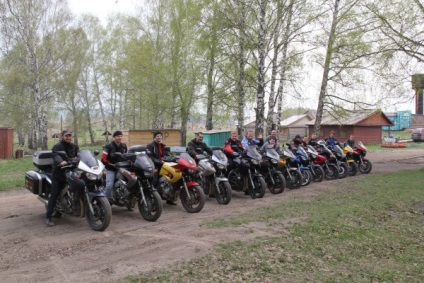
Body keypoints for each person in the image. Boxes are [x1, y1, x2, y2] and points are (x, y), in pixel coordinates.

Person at [45, 129, 79, 226]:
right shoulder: (57, 146)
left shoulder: (74, 146)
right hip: (59, 173)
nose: (68, 137)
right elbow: (56, 156)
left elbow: (79, 155)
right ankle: (48, 217)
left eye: (70, 136)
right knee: (54, 194)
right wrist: (61, 162)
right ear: (62, 136)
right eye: (66, 136)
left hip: (72, 171)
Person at [146, 131, 174, 205]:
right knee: (154, 181)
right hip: (155, 166)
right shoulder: (150, 146)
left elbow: (167, 156)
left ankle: (169, 198)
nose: (159, 137)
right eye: (158, 136)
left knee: (170, 179)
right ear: (155, 137)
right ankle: (151, 198)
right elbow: (150, 157)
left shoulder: (163, 146)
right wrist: (159, 161)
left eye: (160, 136)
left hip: (164, 165)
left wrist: (173, 159)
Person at [101, 130, 128, 202]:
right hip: (111, 169)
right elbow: (103, 159)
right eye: (118, 136)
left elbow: (126, 156)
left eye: (121, 136)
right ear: (114, 137)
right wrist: (112, 165)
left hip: (122, 168)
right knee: (109, 185)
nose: (120, 137)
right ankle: (104, 201)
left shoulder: (124, 146)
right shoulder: (108, 146)